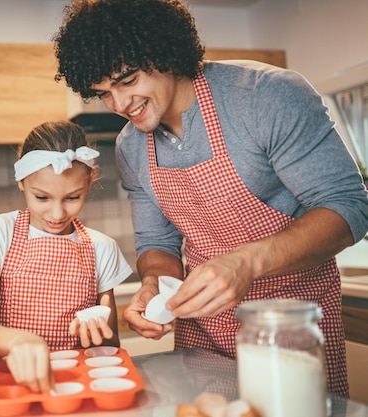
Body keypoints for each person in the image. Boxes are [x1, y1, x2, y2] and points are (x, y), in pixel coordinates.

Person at [52, 0, 368, 398]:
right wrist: (154, 283)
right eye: (103, 93)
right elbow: (157, 244)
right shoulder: (130, 148)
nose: (118, 105)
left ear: (165, 53)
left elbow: (348, 206)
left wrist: (247, 262)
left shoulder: (265, 97)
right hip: (201, 335)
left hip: (287, 327)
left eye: (128, 80)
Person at [0, 120, 132, 393]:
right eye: (42, 198)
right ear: (21, 182)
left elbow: (109, 346)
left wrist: (97, 337)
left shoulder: (102, 248)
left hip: (72, 385)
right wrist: (21, 341)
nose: (57, 213)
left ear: (89, 181)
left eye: (72, 198)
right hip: (4, 384)